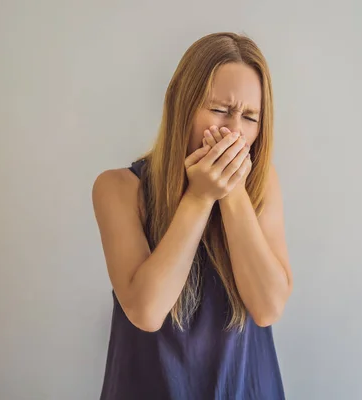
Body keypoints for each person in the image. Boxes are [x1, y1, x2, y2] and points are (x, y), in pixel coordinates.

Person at [92, 32, 293, 400]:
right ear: (182, 105)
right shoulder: (119, 189)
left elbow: (268, 307)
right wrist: (200, 198)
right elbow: (146, 311)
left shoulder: (262, 184)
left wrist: (232, 194)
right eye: (219, 110)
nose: (234, 131)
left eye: (249, 117)